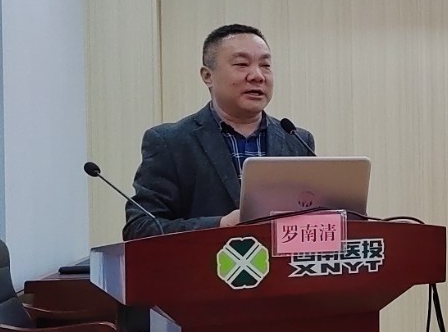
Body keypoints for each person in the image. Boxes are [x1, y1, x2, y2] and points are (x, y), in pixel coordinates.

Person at [124, 24, 317, 238]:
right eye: (241, 64)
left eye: (265, 65)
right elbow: (140, 228)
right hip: (204, 259)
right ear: (208, 76)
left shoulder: (297, 140)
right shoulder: (170, 142)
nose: (257, 76)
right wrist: (220, 225)